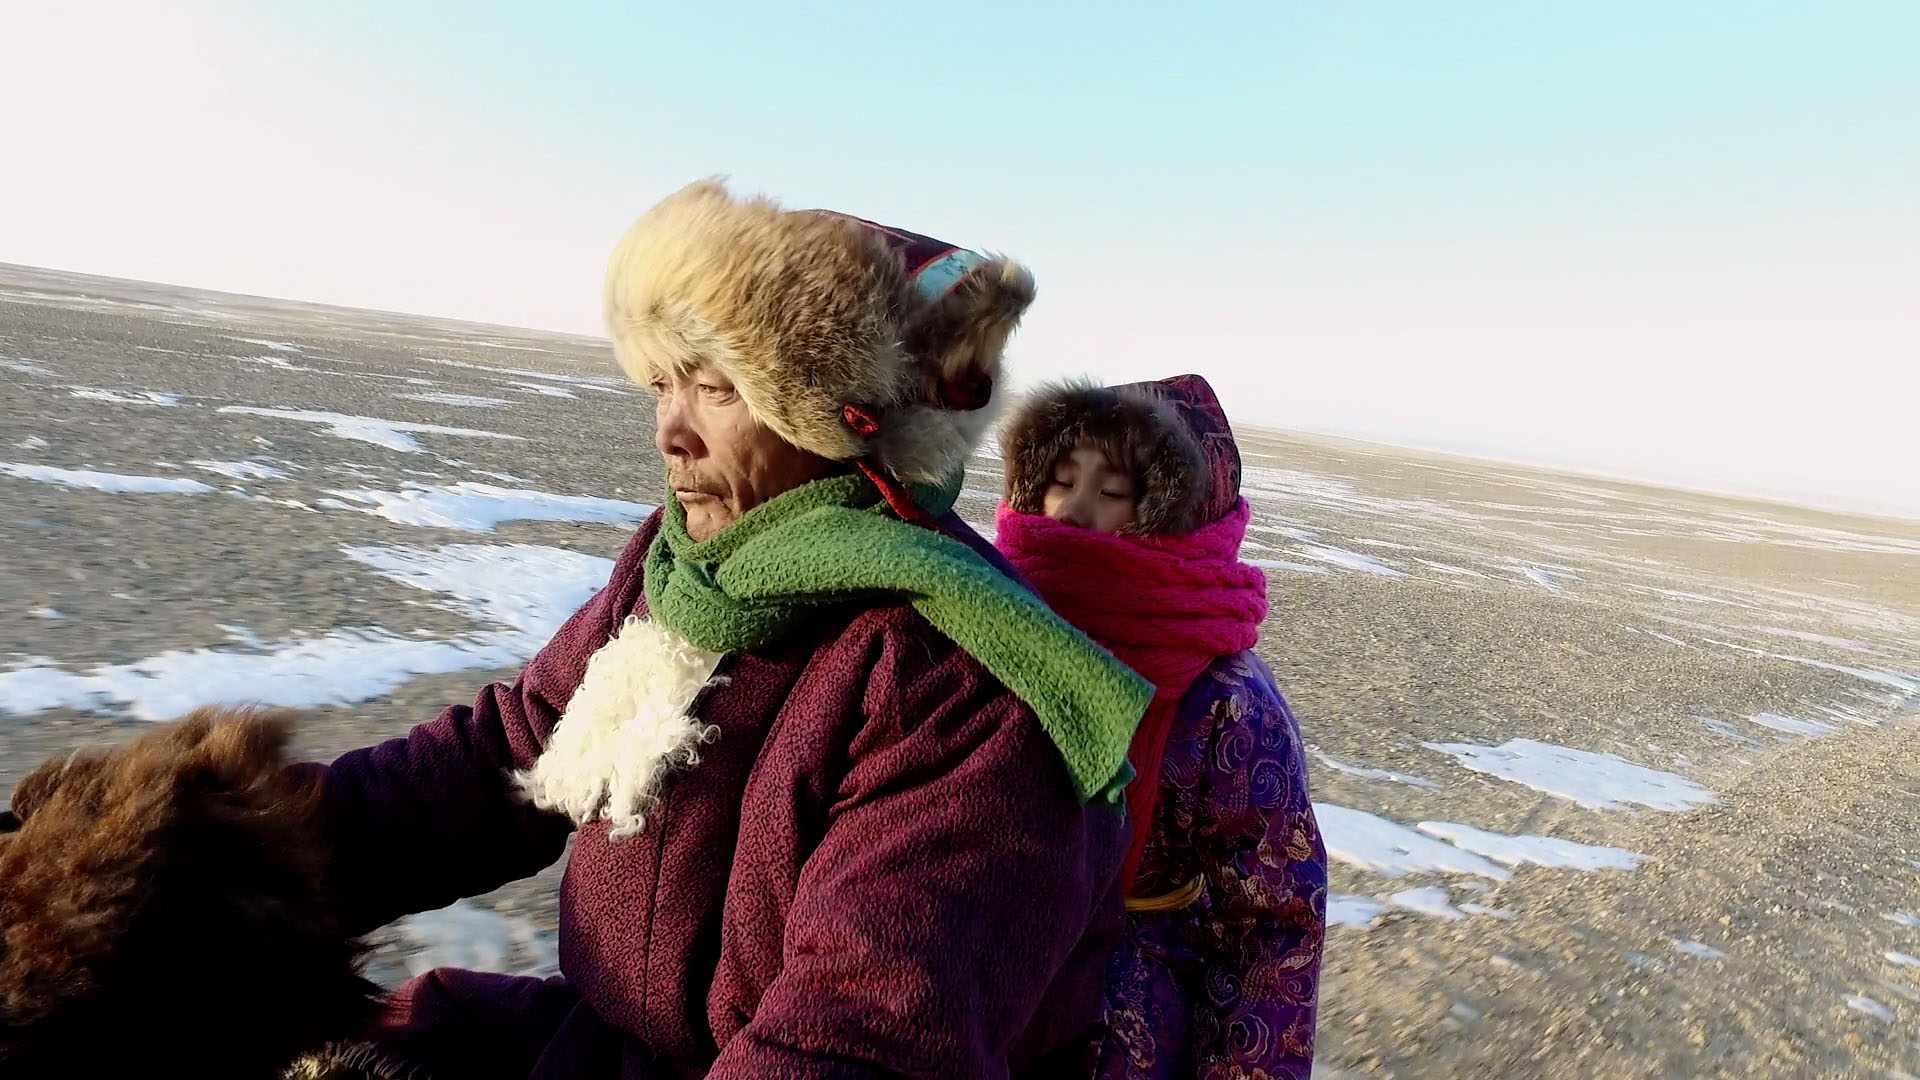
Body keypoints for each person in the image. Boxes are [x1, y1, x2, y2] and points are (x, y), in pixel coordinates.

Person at [289, 180, 1154, 1078]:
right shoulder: (691, 570)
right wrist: (231, 860)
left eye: (717, 387)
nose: (671, 430)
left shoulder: (966, 680)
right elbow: (506, 758)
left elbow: (857, 1041)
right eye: (662, 381)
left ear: (844, 420)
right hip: (612, 1045)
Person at [994, 375, 1327, 1080]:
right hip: (972, 1004)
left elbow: (1269, 928)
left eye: (1113, 493)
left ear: (1178, 516)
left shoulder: (1227, 703)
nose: (1073, 513)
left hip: (1120, 1040)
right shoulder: (988, 631)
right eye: (1058, 481)